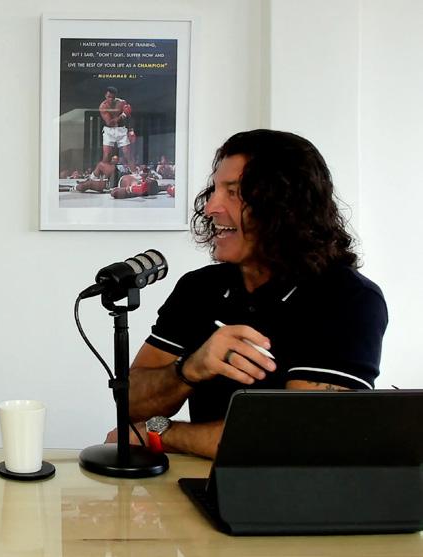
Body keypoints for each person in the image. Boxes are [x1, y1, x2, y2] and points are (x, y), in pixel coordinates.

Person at [108, 130, 387, 459]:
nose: (211, 207)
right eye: (214, 190)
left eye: (234, 192)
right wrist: (190, 368)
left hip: (299, 492)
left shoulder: (349, 299)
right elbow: (131, 404)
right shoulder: (199, 288)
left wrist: (163, 432)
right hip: (199, 482)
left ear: (288, 206)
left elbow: (303, 439)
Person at [99, 86, 136, 167]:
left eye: (113, 97)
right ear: (105, 95)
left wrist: (131, 130)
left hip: (121, 129)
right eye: (109, 97)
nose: (110, 99)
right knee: (106, 156)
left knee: (128, 154)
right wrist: (123, 115)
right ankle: (101, 174)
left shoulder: (122, 103)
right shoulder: (103, 106)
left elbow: (129, 117)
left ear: (115, 96)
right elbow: (110, 123)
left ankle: (135, 173)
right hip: (109, 130)